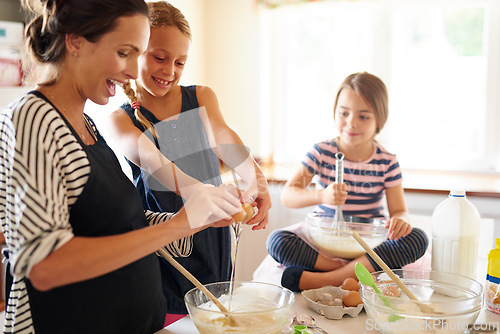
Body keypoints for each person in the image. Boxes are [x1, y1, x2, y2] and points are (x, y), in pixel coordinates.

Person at [0, 0, 247, 333]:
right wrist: (179, 225)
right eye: (124, 53)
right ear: (75, 41)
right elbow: (45, 265)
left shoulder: (85, 124)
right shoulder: (32, 118)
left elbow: (117, 223)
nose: (132, 71)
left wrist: (198, 218)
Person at [107, 1, 271, 317]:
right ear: (136, 50)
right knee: (173, 318)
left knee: (216, 313)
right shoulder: (121, 120)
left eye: (180, 62)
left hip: (214, 234)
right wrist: (198, 192)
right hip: (166, 244)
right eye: (159, 57)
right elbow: (153, 160)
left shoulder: (202, 96)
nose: (170, 70)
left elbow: (223, 137)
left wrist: (256, 178)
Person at [266, 72, 429, 292]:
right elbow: (288, 195)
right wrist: (322, 196)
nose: (351, 123)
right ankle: (351, 271)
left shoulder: (386, 162)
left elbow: (399, 210)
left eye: (363, 116)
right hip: (324, 243)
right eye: (344, 113)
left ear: (380, 120)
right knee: (277, 241)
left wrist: (400, 221)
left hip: (369, 244)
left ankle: (325, 279)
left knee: (417, 238)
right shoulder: (321, 152)